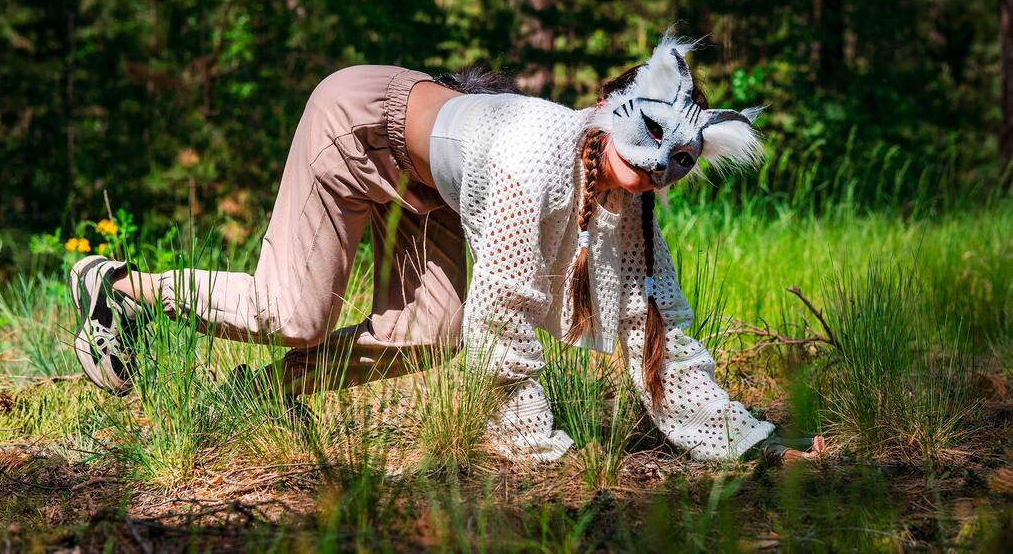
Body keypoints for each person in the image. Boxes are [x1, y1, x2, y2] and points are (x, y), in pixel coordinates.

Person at [69, 33, 825, 464]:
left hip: (429, 182)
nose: (659, 167)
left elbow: (655, 321)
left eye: (680, 162)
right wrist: (533, 442)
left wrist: (742, 438)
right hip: (360, 125)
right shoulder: (532, 160)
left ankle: (254, 401)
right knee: (292, 312)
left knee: (426, 333)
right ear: (611, 111)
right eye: (652, 140)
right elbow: (498, 318)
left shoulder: (625, 193)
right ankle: (121, 286)